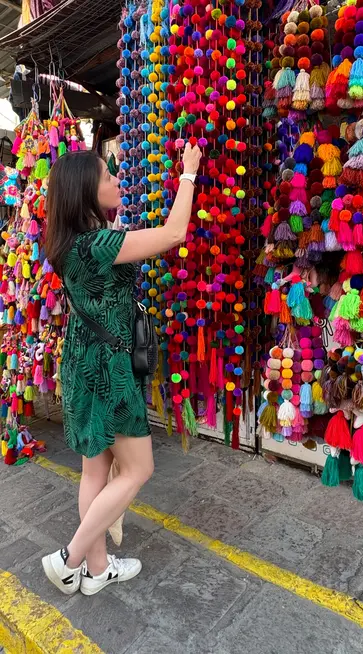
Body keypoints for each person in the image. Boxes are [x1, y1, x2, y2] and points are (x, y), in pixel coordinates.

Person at [42, 143, 201, 596]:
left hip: (83, 360)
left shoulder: (71, 243)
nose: (117, 181)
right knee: (137, 470)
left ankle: (95, 571)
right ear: (85, 193)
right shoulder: (100, 245)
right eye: (107, 178)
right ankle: (69, 558)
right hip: (109, 368)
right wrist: (187, 174)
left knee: (95, 472)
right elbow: (174, 234)